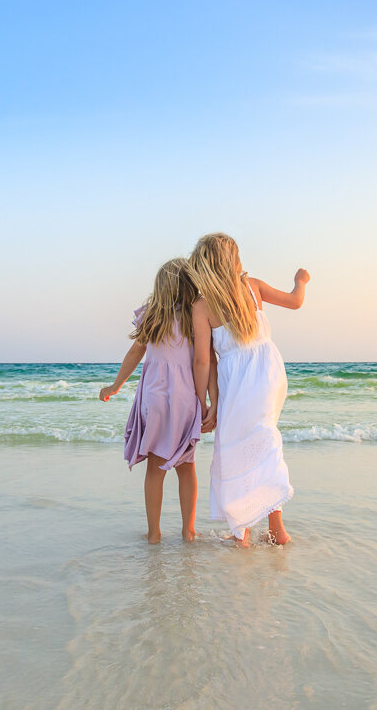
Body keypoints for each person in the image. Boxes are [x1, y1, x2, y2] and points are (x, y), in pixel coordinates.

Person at [187, 233, 309, 547]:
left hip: (237, 380)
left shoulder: (201, 307)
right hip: (268, 373)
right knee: (264, 440)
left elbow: (203, 360)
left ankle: (242, 531)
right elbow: (296, 301)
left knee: (235, 446)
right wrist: (301, 280)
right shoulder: (252, 286)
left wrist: (204, 402)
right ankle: (277, 529)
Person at [100, 258, 217, 544]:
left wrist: (116, 385)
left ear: (160, 286)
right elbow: (208, 361)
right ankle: (188, 532)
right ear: (191, 284)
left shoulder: (152, 316)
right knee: (186, 466)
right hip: (185, 399)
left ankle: (154, 533)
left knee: (155, 467)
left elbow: (134, 354)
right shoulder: (196, 317)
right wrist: (210, 400)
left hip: (154, 399)